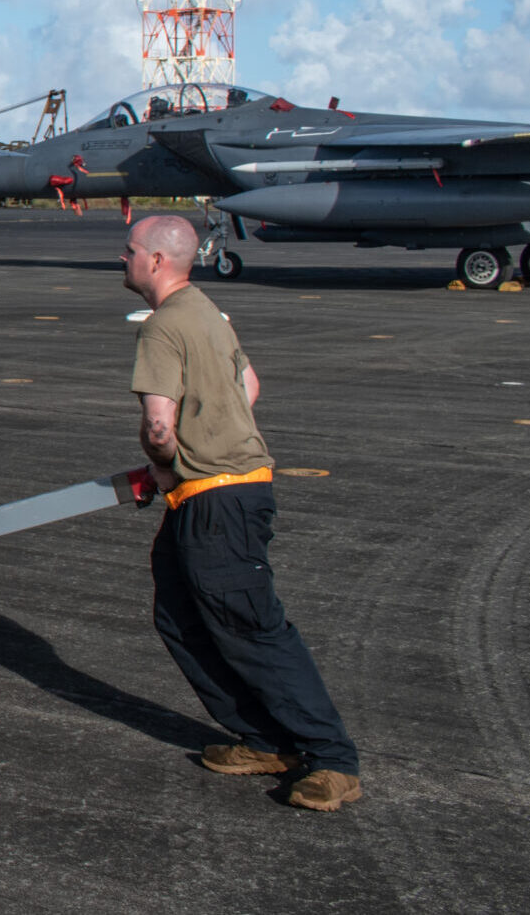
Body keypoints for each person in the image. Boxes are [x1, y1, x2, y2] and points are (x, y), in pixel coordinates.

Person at [122, 214, 362, 811]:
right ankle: (264, 739)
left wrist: (166, 460)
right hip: (220, 492)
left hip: (216, 498)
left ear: (155, 261)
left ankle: (331, 759)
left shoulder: (161, 328)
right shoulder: (207, 311)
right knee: (179, 616)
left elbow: (158, 426)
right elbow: (248, 385)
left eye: (128, 251)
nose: (121, 259)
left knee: (253, 629)